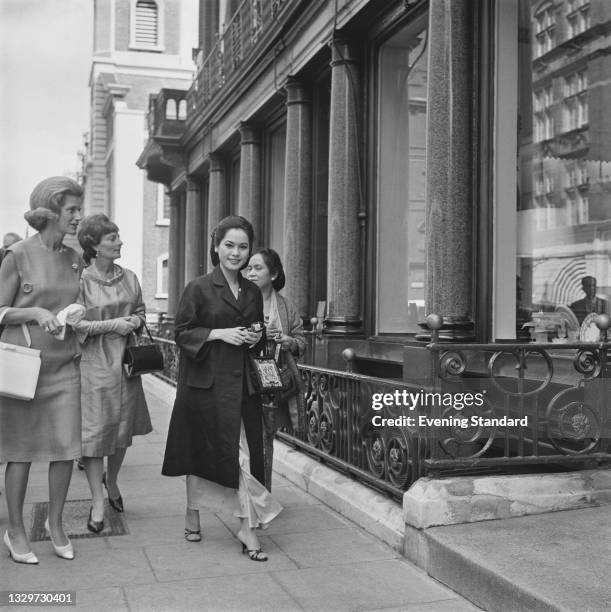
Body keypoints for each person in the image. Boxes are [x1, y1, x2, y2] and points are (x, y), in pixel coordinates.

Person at [162, 215, 282, 561]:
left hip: (242, 385)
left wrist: (255, 335)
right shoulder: (198, 287)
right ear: (216, 247)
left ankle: (246, 525)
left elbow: (255, 334)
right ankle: (193, 513)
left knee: (242, 455)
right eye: (229, 245)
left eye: (243, 246)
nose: (236, 252)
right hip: (205, 385)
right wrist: (218, 334)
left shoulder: (251, 291)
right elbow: (182, 333)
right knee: (199, 453)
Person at [0, 176, 84, 564]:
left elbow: (72, 300)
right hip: (24, 369)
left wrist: (76, 313)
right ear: (50, 212)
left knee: (66, 448)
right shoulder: (17, 254)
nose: (78, 217)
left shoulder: (73, 257)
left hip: (65, 364)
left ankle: (55, 523)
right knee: (20, 452)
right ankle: (15, 530)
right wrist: (33, 311)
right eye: (72, 210)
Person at [73, 214, 152, 533]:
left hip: (127, 365)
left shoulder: (130, 277)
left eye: (118, 236)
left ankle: (113, 481)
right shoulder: (80, 281)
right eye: (112, 238)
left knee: (122, 431)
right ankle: (96, 500)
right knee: (94, 435)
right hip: (94, 365)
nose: (119, 241)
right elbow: (73, 324)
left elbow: (142, 311)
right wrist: (112, 325)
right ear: (93, 245)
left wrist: (133, 321)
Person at [245, 248, 306, 428]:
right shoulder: (239, 303)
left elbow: (301, 342)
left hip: (272, 384)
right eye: (249, 269)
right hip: (244, 381)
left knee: (266, 439)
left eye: (257, 268)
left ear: (273, 274)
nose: (251, 273)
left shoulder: (286, 307)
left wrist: (289, 341)